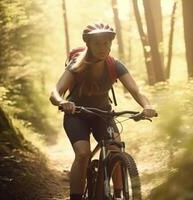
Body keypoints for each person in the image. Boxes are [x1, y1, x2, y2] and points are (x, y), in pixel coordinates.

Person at [49, 22, 156, 200]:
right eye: (97, 43)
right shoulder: (77, 64)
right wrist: (62, 102)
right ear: (88, 45)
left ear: (110, 44)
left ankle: (119, 194)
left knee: (115, 148)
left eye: (106, 43)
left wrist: (147, 105)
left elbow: (136, 91)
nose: (102, 47)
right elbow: (55, 91)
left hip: (103, 115)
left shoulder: (115, 65)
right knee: (83, 154)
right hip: (77, 114)